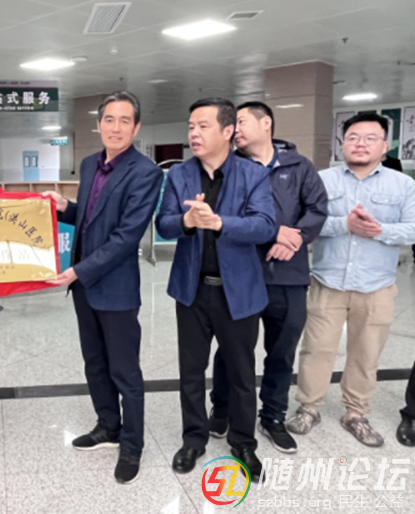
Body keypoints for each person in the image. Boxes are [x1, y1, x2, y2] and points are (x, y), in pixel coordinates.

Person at [43, 91, 163, 484]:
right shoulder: (89, 164)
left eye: (125, 120)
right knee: (94, 362)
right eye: (109, 119)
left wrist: (78, 270)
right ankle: (108, 427)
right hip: (84, 288)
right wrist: (66, 208)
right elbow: (92, 219)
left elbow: (126, 237)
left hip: (116, 289)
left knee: (125, 370)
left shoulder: (146, 173)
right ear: (98, 124)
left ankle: (132, 444)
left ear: (136, 127)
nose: (115, 127)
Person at [156, 98, 276, 482]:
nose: (194, 133)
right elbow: (163, 224)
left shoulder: (253, 174)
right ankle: (193, 438)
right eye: (191, 126)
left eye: (203, 126)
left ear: (228, 131)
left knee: (241, 373)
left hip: (238, 291)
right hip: (192, 291)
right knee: (191, 371)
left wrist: (221, 223)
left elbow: (265, 226)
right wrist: (187, 221)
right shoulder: (179, 174)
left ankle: (243, 442)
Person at [287, 112, 415, 447]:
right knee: (317, 349)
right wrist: (345, 224)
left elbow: (413, 228)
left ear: (385, 146)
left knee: (366, 352)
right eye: (353, 137)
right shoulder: (321, 180)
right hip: (327, 281)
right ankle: (309, 407)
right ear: (342, 144)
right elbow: (305, 224)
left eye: (371, 138)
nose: (360, 144)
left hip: (377, 286)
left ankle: (355, 412)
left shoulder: (403, 185)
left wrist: (379, 230)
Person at [208, 101, 328, 454]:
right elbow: (224, 216)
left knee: (281, 351)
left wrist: (295, 238)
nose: (235, 129)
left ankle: (273, 415)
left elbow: (317, 209)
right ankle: (222, 408)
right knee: (232, 350)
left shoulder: (299, 167)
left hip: (289, 276)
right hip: (242, 275)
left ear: (266, 123)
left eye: (241, 121)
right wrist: (273, 232)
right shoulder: (229, 168)